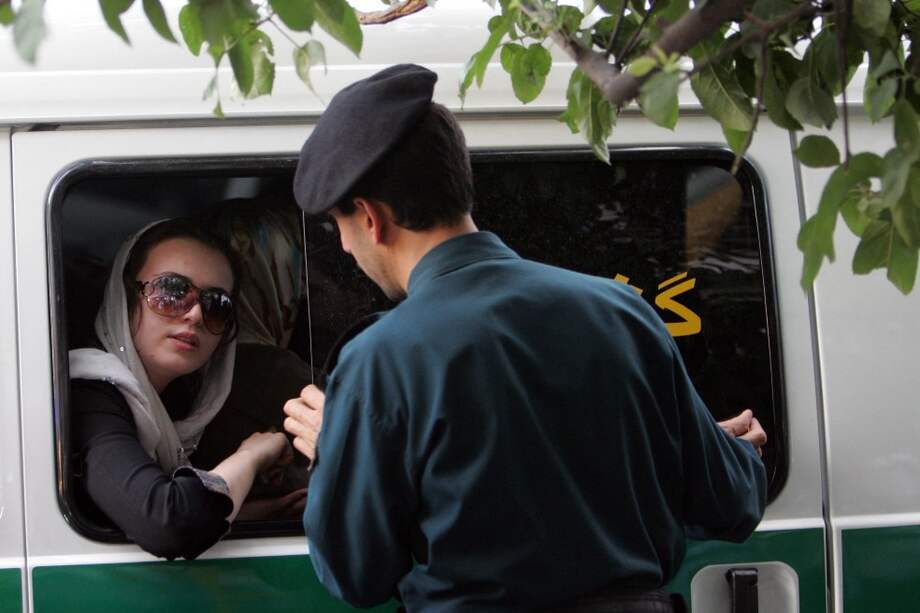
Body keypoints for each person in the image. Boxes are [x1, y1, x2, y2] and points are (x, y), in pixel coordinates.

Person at [283, 64, 768, 612]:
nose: (345, 249)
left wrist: (341, 451)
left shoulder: (379, 361)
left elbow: (356, 575)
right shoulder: (623, 313)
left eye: (339, 229)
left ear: (370, 219)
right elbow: (732, 503)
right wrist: (725, 453)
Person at [69, 217, 294, 560]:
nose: (193, 315)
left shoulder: (175, 402)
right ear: (126, 296)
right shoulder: (89, 394)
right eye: (170, 291)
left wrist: (263, 512)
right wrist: (251, 457)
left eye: (216, 305)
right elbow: (167, 524)